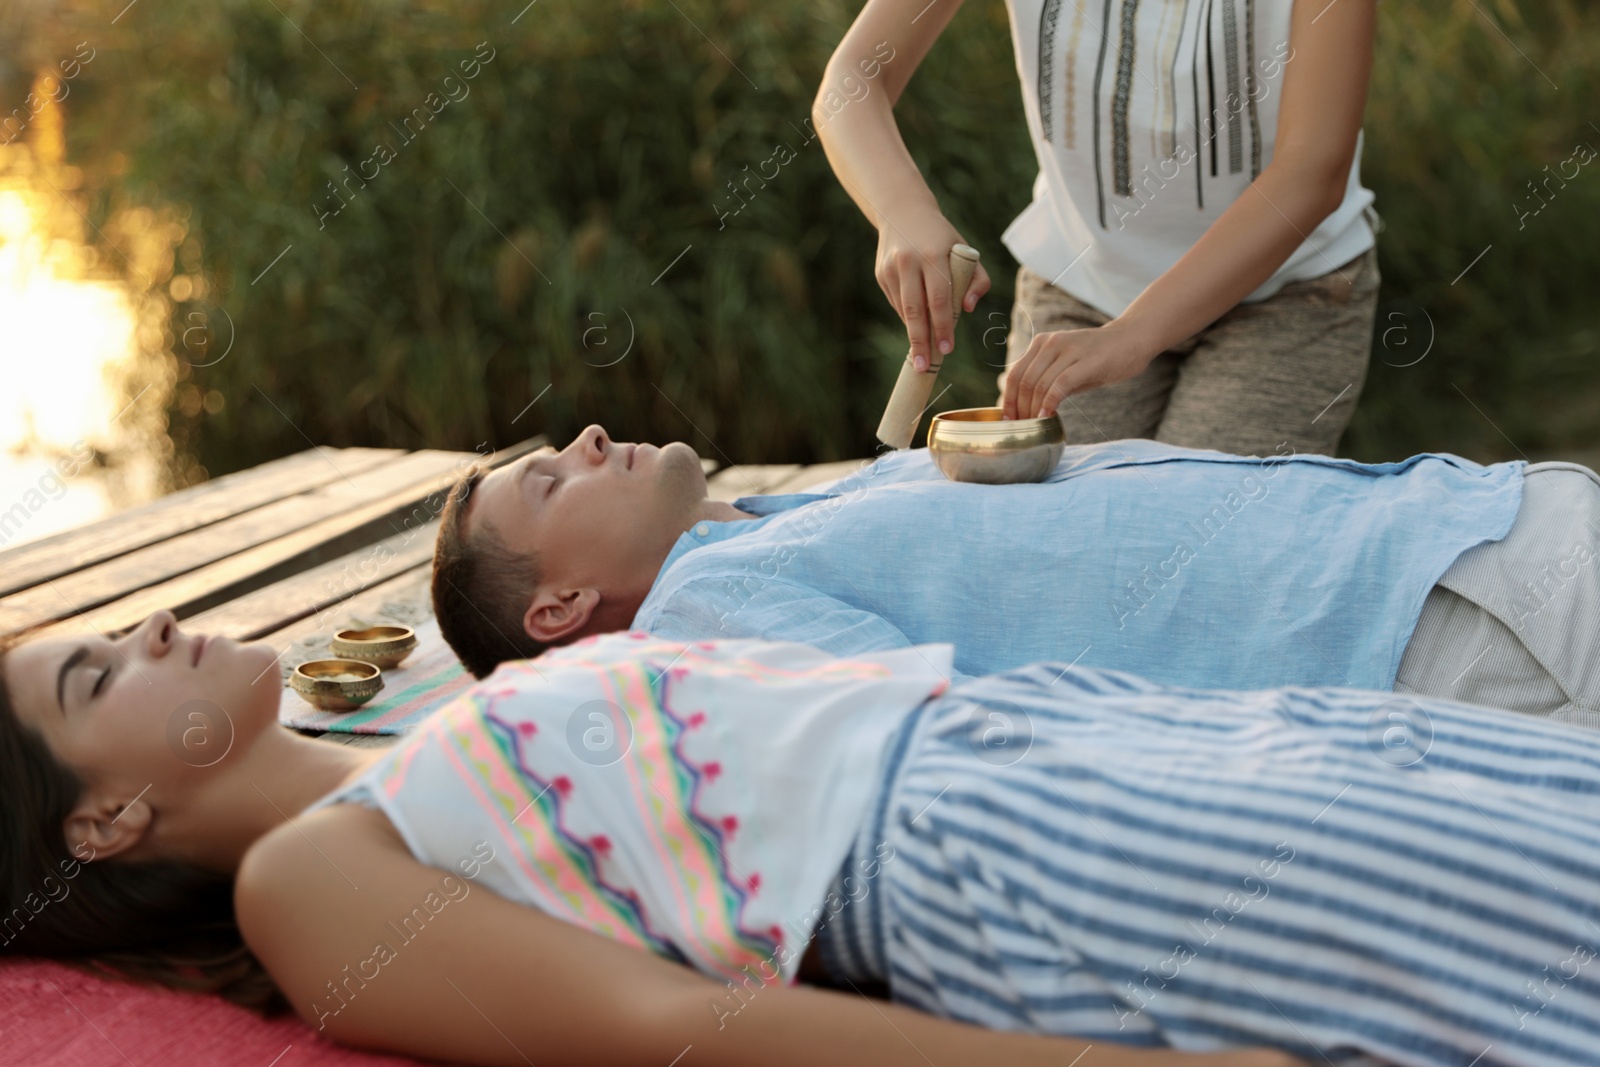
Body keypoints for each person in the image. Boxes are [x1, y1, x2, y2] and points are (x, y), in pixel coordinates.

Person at [6, 611, 1600, 1067]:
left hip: (1039, 731)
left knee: (1519, 809)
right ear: (106, 815)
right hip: (984, 840)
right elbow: (670, 1022)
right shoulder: (307, 879)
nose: (148, 626)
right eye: (99, 674)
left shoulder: (396, 736)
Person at [431, 425, 1600, 727]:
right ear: (559, 608)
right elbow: (961, 720)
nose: (586, 439)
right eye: (549, 482)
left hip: (1446, 530)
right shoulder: (705, 613)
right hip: (1424, 627)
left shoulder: (749, 534)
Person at [815, 0, 1381, 456]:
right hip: (1080, 287)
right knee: (1050, 543)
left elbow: (1313, 172)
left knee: (1195, 547)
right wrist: (904, 213)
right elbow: (852, 84)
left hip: (1286, 296)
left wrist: (1132, 336)